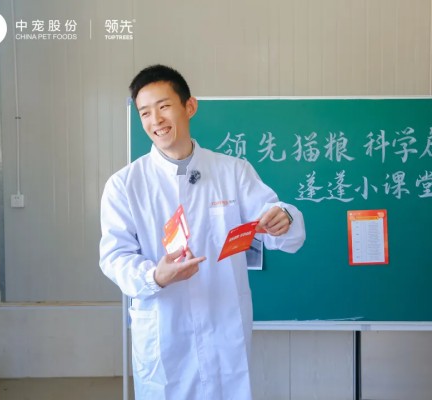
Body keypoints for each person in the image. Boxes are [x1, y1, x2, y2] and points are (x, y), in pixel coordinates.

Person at [99, 64, 305, 399]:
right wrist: (155, 276)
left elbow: (276, 222)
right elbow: (114, 257)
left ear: (189, 106)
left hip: (224, 325)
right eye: (145, 112)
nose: (156, 120)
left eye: (164, 106)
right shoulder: (125, 185)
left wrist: (283, 219)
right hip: (165, 330)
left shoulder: (232, 171)